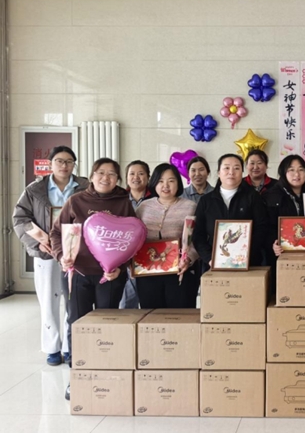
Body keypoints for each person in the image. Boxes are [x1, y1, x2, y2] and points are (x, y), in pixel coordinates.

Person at [50, 158, 135, 400]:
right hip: (78, 274)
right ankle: (78, 375)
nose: (105, 178)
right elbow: (56, 232)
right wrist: (62, 256)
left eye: (111, 174)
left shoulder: (124, 203)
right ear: (91, 175)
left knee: (107, 325)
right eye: (100, 173)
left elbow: (133, 239)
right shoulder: (76, 201)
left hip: (110, 275)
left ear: (118, 179)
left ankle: (105, 372)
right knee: (77, 324)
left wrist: (121, 268)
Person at [12, 146, 88, 367]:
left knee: (73, 299)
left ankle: (70, 346)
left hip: (76, 252)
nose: (64, 165)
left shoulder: (85, 186)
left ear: (74, 164)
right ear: (51, 163)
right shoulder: (35, 189)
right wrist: (38, 242)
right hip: (46, 251)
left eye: (69, 161)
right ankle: (53, 347)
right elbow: (20, 219)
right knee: (48, 299)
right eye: (59, 161)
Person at [135, 163, 199, 309]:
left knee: (179, 315)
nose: (166, 185)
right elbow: (134, 237)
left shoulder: (190, 206)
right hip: (148, 271)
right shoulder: (143, 207)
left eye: (171, 181)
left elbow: (197, 238)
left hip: (180, 270)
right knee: (151, 314)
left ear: (178, 183)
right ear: (154, 183)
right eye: (160, 181)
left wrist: (189, 258)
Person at [193, 154, 268, 272]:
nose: (231, 172)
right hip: (214, 264)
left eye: (236, 168)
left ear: (242, 173)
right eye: (226, 168)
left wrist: (246, 253)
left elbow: (262, 227)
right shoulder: (206, 201)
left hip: (249, 263)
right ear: (219, 172)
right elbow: (198, 234)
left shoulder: (252, 197)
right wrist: (210, 258)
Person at [265, 155, 305, 263]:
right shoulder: (271, 196)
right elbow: (266, 227)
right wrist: (272, 243)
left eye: (301, 170)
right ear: (284, 172)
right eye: (291, 170)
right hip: (282, 256)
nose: (297, 174)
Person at [120, 160, 152, 309]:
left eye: (141, 173)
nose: (136, 177)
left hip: (149, 254)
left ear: (148, 177)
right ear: (126, 177)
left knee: (149, 301)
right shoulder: (119, 199)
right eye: (132, 174)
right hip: (124, 255)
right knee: (126, 302)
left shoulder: (156, 198)